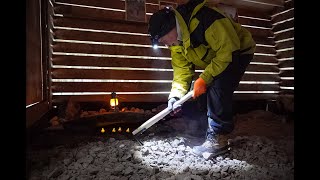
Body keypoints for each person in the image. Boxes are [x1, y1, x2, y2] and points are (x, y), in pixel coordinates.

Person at [147, 0, 256, 157]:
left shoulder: (206, 19)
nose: (165, 45)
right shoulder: (176, 44)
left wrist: (205, 78)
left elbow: (227, 52)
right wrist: (175, 96)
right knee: (201, 89)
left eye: (163, 40)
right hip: (220, 57)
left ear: (170, 28)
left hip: (237, 50)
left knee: (218, 85)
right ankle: (204, 130)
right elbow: (182, 72)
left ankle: (219, 139)